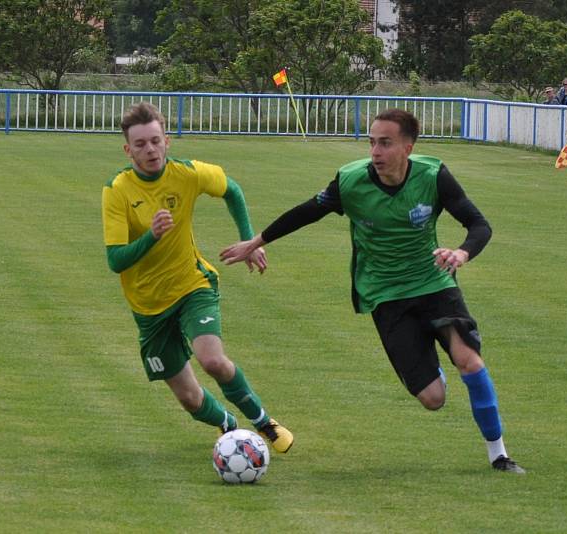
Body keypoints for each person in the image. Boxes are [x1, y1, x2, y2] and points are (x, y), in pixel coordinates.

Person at [220, 108, 525, 474]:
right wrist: (256, 241)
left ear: (408, 147)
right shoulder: (351, 181)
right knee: (433, 399)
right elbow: (307, 212)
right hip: (384, 294)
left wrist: (461, 252)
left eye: (385, 143)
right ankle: (431, 370)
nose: (376, 151)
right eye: (371, 142)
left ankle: (499, 455)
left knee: (469, 360)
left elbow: (479, 224)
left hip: (433, 281)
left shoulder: (433, 175)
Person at [101, 102, 293, 453]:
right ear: (127, 149)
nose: (150, 150)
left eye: (156, 141)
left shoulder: (188, 174)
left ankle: (264, 423)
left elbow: (231, 189)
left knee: (213, 360)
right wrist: (151, 237)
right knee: (189, 399)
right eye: (141, 144)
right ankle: (229, 427)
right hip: (148, 308)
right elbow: (115, 260)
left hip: (192, 286)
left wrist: (250, 241)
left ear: (167, 141)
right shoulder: (117, 191)